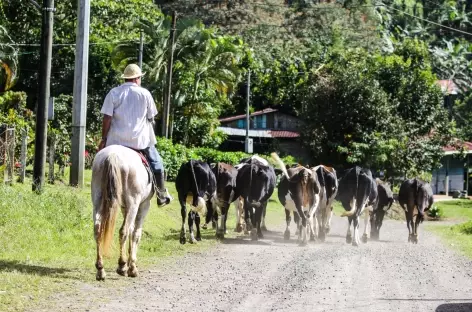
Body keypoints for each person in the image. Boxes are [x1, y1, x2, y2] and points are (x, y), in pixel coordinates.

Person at [98, 63, 172, 207]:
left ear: (125, 78)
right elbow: (152, 117)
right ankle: (161, 194)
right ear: (138, 78)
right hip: (140, 143)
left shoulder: (113, 93)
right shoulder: (145, 94)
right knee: (157, 164)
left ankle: (98, 191)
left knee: (100, 161)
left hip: (115, 142)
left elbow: (107, 118)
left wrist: (103, 139)